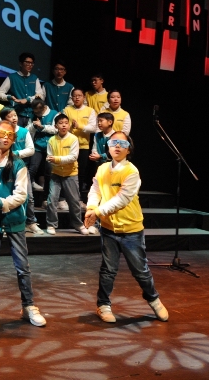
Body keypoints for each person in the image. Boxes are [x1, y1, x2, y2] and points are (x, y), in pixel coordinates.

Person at [84, 132, 169, 324]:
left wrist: (97, 212)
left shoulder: (132, 172)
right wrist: (90, 208)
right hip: (108, 229)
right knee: (108, 269)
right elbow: (95, 190)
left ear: (128, 149)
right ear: (108, 146)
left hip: (131, 230)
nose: (117, 146)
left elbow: (121, 200)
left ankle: (153, 299)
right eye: (114, 142)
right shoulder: (102, 168)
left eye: (122, 143)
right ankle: (103, 305)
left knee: (140, 270)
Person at [0, 120, 47, 330]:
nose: (6, 138)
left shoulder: (18, 165)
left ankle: (28, 306)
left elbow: (21, 195)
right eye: (2, 133)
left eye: (10, 135)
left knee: (22, 266)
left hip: (14, 220)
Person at [46, 114, 91, 235]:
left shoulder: (73, 139)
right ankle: (51, 224)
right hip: (56, 173)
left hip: (71, 173)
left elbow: (73, 157)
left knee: (74, 201)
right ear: (56, 126)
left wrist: (57, 159)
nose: (64, 125)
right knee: (52, 199)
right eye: (61, 123)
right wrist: (53, 160)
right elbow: (49, 156)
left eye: (66, 123)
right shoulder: (51, 140)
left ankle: (78, 224)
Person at [0, 108, 40, 234]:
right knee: (6, 197)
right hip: (5, 168)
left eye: (15, 115)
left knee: (29, 196)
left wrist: (15, 154)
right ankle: (4, 223)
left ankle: (31, 222)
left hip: (22, 168)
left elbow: (31, 150)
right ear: (4, 119)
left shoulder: (24, 131)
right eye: (10, 116)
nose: (14, 118)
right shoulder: (0, 131)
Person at [62, 88, 97, 198]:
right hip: (68, 145)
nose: (77, 98)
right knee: (67, 171)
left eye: (79, 95)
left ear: (84, 97)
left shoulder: (90, 111)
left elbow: (93, 128)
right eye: (74, 96)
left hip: (83, 146)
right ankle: (65, 197)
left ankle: (78, 197)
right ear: (71, 98)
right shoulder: (67, 110)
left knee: (81, 172)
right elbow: (62, 124)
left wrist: (79, 126)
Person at [0, 52, 44, 127]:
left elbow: (40, 95)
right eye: (27, 63)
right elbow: (0, 94)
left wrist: (28, 100)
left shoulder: (34, 78)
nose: (30, 65)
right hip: (16, 114)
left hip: (31, 114)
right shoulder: (12, 77)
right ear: (20, 64)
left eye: (32, 63)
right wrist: (9, 97)